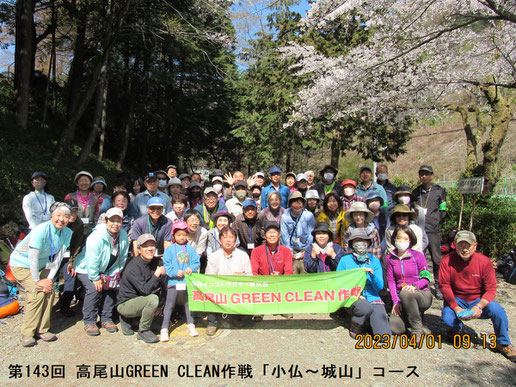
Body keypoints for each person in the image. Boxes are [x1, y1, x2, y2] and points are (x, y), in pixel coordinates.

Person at [439, 231, 516, 362]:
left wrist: (479, 307)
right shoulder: (446, 260)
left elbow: (491, 289)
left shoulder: (484, 262)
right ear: (454, 245)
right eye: (460, 245)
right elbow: (444, 286)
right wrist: (456, 308)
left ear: (475, 246)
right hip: (457, 299)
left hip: (477, 299)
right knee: (447, 317)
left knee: (498, 311)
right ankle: (458, 329)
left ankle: (503, 343)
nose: (464, 249)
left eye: (468, 245)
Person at [9, 202, 73, 347]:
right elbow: (32, 257)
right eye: (58, 215)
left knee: (50, 290)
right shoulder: (41, 230)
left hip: (43, 264)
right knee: (37, 292)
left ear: (70, 219)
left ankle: (43, 329)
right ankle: (28, 333)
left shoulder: (67, 233)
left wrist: (49, 279)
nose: (61, 219)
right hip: (22, 264)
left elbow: (58, 258)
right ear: (52, 216)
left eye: (66, 216)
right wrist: (38, 281)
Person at [75, 208, 129, 336]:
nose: (115, 224)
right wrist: (95, 278)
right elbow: (92, 259)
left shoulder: (123, 236)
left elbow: (123, 257)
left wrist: (113, 274)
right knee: (94, 289)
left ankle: (106, 317)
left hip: (107, 268)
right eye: (112, 220)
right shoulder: (96, 236)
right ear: (106, 221)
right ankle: (90, 320)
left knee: (110, 286)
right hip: (86, 268)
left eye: (118, 221)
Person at [337, 228, 391, 338]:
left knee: (384, 336)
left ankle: (367, 323)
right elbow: (339, 283)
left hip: (373, 297)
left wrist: (372, 274)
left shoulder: (374, 261)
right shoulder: (345, 260)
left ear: (367, 243)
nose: (360, 243)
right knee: (364, 307)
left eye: (362, 240)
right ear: (352, 244)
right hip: (354, 298)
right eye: (356, 241)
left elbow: (379, 287)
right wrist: (355, 295)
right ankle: (355, 324)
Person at [116, 234, 166, 343]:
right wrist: (157, 274)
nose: (149, 249)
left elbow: (163, 285)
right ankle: (143, 331)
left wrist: (160, 305)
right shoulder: (133, 267)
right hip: (126, 303)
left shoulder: (158, 262)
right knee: (152, 299)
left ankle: (133, 321)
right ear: (139, 250)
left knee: (165, 323)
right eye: (145, 246)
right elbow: (145, 290)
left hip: (143, 301)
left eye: (152, 245)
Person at [386, 226, 432, 340]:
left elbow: (426, 277)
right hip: (401, 297)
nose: (402, 242)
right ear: (394, 239)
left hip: (421, 294)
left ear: (410, 240)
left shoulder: (418, 256)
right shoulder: (389, 258)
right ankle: (411, 322)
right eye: (399, 238)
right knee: (394, 327)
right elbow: (391, 281)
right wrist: (395, 301)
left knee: (405, 293)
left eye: (405, 239)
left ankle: (416, 329)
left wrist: (415, 286)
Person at [205, 226, 253, 336]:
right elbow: (210, 279)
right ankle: (213, 322)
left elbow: (249, 276)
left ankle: (236, 317)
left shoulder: (243, 255)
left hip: (238, 292)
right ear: (219, 240)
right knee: (210, 296)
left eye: (231, 237)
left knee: (242, 322)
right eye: (225, 237)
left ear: (235, 240)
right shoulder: (214, 257)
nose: (228, 240)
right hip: (219, 292)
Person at [160, 221, 201, 341]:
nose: (181, 237)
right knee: (169, 304)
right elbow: (167, 265)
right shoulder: (170, 249)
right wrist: (174, 272)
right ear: (174, 235)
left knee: (189, 303)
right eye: (178, 235)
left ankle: (190, 323)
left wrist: (191, 268)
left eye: (184, 234)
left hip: (187, 281)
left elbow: (196, 262)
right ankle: (164, 328)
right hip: (174, 281)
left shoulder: (191, 249)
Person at [412, 165, 446, 300]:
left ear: (432, 175)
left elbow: (443, 209)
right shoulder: (416, 192)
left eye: (426, 174)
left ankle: (439, 286)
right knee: (420, 259)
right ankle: (422, 283)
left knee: (437, 259)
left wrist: (438, 221)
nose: (424, 176)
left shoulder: (439, 191)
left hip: (433, 229)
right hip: (418, 229)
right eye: (421, 174)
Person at [58, 199, 85, 317]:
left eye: (76, 212)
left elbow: (77, 245)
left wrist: (72, 262)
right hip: (52, 255)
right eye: (71, 212)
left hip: (68, 255)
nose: (73, 215)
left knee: (71, 277)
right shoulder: (58, 222)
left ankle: (65, 303)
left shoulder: (78, 224)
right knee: (50, 279)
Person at [280, 191, 315, 274]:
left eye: (300, 202)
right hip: (292, 248)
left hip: (305, 247)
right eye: (294, 202)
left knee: (304, 269)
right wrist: (290, 253)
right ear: (290, 204)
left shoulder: (308, 216)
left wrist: (306, 251)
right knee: (292, 270)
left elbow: (311, 235)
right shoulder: (285, 217)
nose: (297, 205)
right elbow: (284, 237)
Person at [65, 171, 101, 236]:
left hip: (90, 232)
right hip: (72, 231)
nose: (84, 183)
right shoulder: (70, 196)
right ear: (77, 182)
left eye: (87, 181)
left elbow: (97, 216)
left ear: (90, 183)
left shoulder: (95, 199)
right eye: (81, 180)